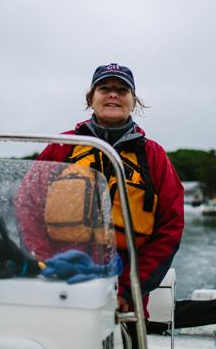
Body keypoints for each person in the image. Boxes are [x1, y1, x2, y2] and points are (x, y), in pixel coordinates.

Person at [14, 62, 185, 313]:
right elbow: (26, 205)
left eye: (122, 89)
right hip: (58, 286)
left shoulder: (154, 156)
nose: (113, 94)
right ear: (90, 99)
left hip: (125, 299)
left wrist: (129, 289)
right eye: (104, 88)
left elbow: (171, 226)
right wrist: (49, 265)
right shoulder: (62, 146)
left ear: (133, 101)